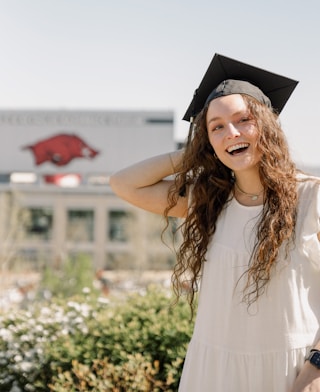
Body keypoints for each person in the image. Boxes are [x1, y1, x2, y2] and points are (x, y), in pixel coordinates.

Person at [109, 53, 320, 392]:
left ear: (267, 125)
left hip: (292, 372)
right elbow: (124, 183)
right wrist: (200, 150)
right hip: (214, 373)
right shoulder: (208, 202)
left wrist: (316, 368)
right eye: (217, 126)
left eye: (243, 120)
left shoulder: (311, 198)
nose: (232, 132)